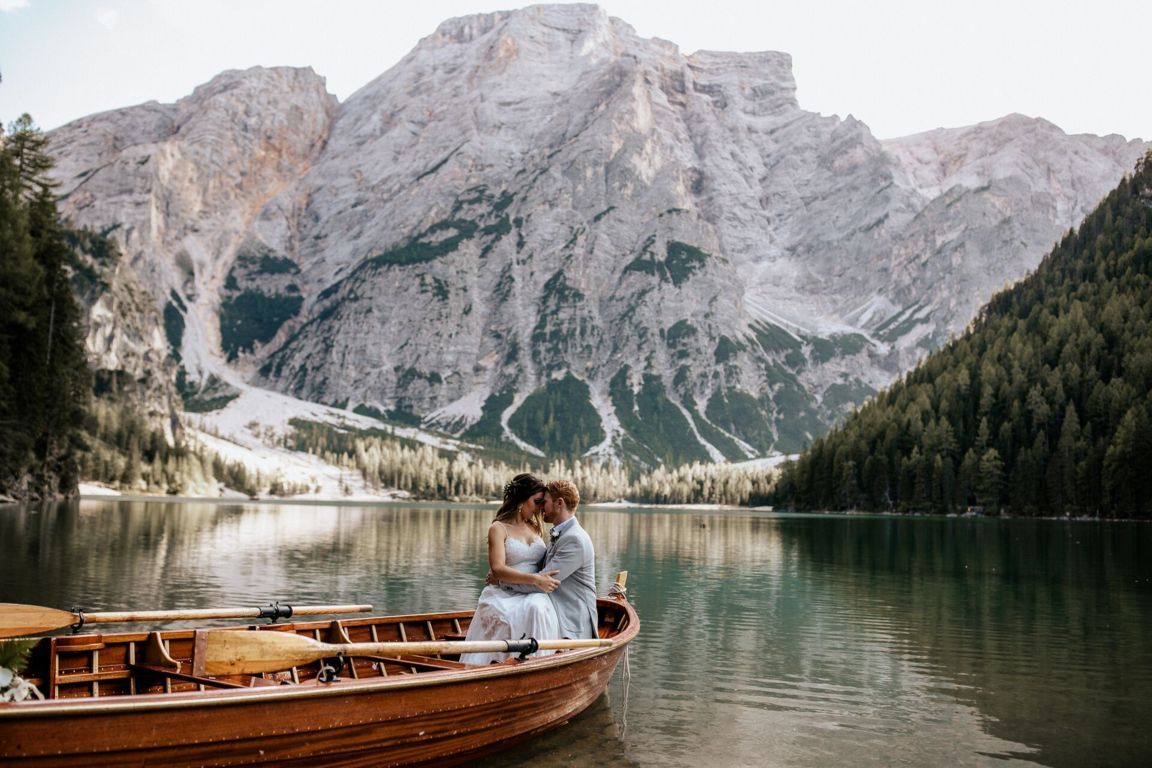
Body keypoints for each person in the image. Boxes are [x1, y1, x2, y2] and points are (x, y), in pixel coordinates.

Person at [458, 473, 561, 665]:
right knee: (528, 608)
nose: (540, 507)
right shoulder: (498, 528)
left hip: (531, 592)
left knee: (537, 605)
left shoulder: (536, 527)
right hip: (505, 593)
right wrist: (535, 580)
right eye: (537, 501)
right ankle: (508, 663)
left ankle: (540, 663)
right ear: (522, 499)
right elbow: (497, 568)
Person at [500, 479, 597, 640]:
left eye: (544, 502)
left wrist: (503, 582)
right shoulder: (563, 532)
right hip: (550, 609)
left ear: (559, 503)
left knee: (525, 611)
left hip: (571, 624)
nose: (540, 508)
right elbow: (537, 571)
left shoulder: (575, 540)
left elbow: (542, 583)